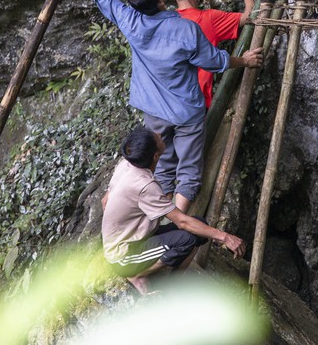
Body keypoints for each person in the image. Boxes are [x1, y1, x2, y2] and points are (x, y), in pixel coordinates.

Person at [70, 0, 263, 213]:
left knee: (162, 162)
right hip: (186, 112)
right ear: (163, 0)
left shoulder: (130, 21)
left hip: (154, 111)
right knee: (189, 171)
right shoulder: (186, 29)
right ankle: (179, 223)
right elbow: (216, 61)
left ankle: (156, 216)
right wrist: (244, 61)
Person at [102, 125, 246, 293]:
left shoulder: (127, 164)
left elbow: (106, 201)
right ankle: (138, 274)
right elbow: (182, 221)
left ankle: (172, 283)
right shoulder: (144, 185)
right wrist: (225, 237)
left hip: (139, 238)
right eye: (157, 138)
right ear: (156, 156)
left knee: (199, 226)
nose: (158, 133)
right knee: (186, 240)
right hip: (124, 256)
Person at [162, 0, 255, 109]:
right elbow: (250, 17)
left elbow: (185, 10)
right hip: (199, 101)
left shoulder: (166, 21)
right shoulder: (209, 19)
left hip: (171, 100)